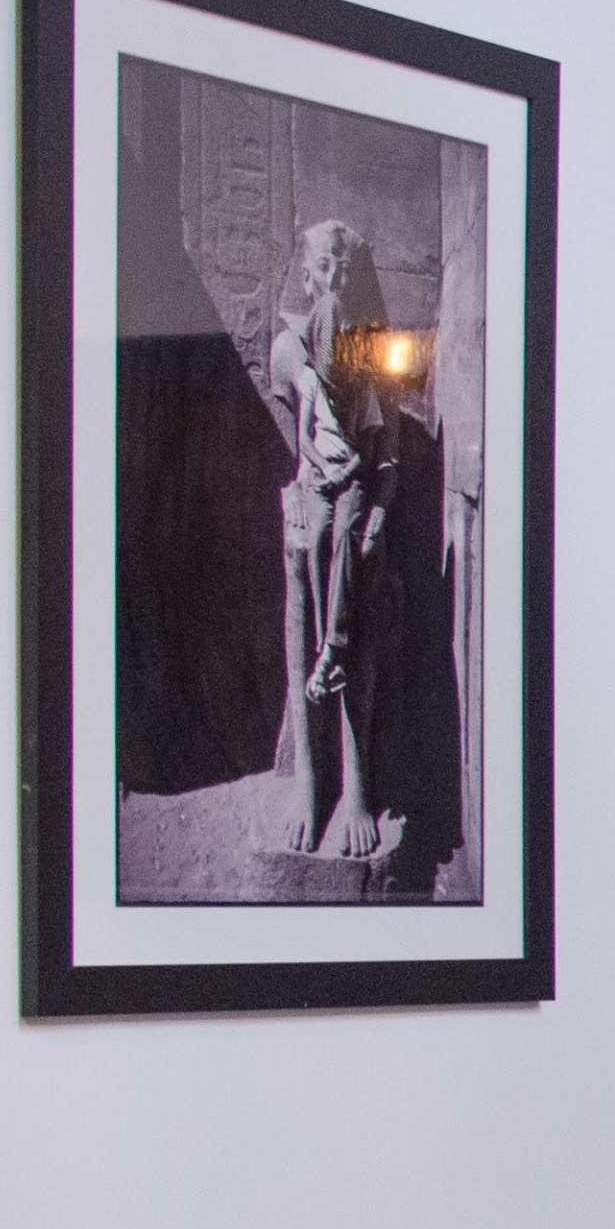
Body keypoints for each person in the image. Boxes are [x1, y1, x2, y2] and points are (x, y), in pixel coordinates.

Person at [268, 220, 399, 858]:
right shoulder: (291, 346)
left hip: (355, 497)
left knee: (353, 540)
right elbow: (307, 419)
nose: (335, 281)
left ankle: (355, 787)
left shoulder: (374, 355)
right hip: (313, 492)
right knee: (311, 538)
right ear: (306, 272)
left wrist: (379, 512)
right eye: (325, 268)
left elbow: (386, 460)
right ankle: (309, 781)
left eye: (344, 271)